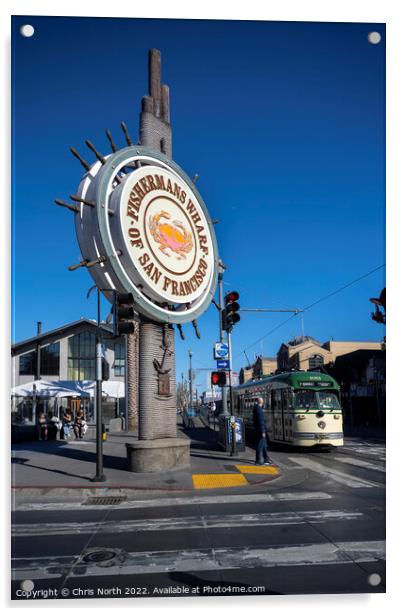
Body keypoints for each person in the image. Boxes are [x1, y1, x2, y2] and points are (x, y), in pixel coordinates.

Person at [252, 396, 272, 465]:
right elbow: (261, 421)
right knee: (260, 445)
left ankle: (266, 458)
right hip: (260, 430)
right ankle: (257, 460)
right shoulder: (259, 409)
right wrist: (263, 431)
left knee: (264, 444)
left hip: (258, 429)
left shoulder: (256, 408)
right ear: (262, 402)